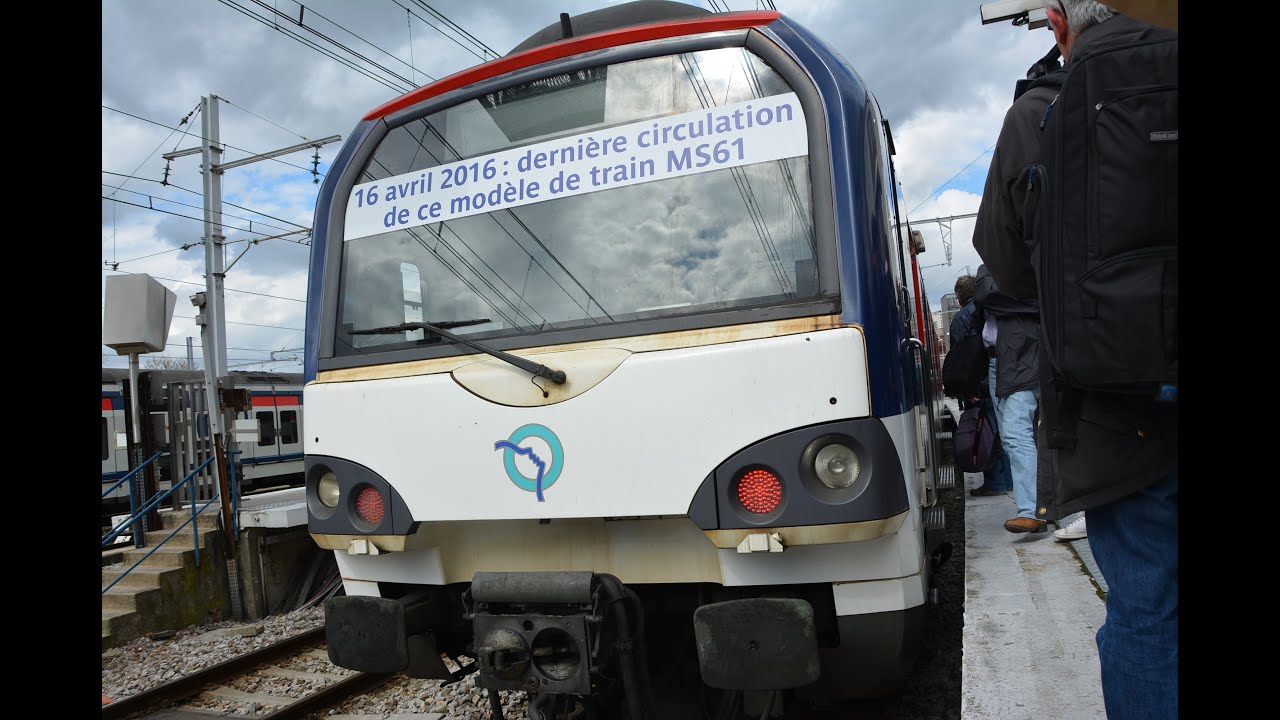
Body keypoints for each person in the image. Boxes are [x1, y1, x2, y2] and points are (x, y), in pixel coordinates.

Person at [974, 2, 1178, 718]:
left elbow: (1002, 256)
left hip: (1118, 403)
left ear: (1058, 23)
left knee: (1147, 608)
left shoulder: (1039, 110)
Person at [971, 266, 1041, 532]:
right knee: (1015, 436)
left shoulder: (1024, 261)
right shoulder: (994, 268)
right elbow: (986, 294)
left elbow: (988, 294)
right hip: (999, 361)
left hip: (1022, 355)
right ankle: (1040, 505)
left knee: (1015, 433)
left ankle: (1032, 511)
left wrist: (1010, 299)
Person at [947, 275, 1011, 497]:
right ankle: (1009, 480)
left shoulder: (961, 319)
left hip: (980, 385)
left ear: (959, 296)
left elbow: (962, 358)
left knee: (985, 432)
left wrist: (969, 391)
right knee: (1005, 429)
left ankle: (995, 482)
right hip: (1001, 376)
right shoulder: (991, 308)